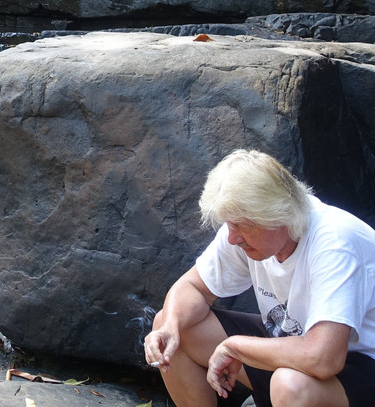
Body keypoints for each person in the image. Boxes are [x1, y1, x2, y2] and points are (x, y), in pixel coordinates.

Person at [143, 149, 375, 406]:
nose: (232, 238)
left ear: (279, 217)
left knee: (289, 385)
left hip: (358, 366)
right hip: (292, 346)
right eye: (229, 225)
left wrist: (236, 346)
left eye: (242, 225)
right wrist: (170, 327)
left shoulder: (335, 242)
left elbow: (324, 358)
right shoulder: (245, 231)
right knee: (171, 324)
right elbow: (192, 287)